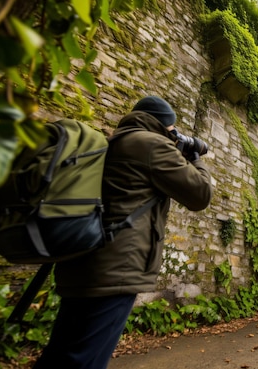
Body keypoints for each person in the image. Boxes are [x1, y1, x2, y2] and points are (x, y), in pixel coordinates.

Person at [34, 95, 213, 369]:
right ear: (165, 126)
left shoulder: (112, 143)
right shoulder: (152, 145)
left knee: (65, 354)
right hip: (115, 271)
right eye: (173, 129)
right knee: (83, 360)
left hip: (81, 262)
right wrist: (196, 157)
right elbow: (200, 195)